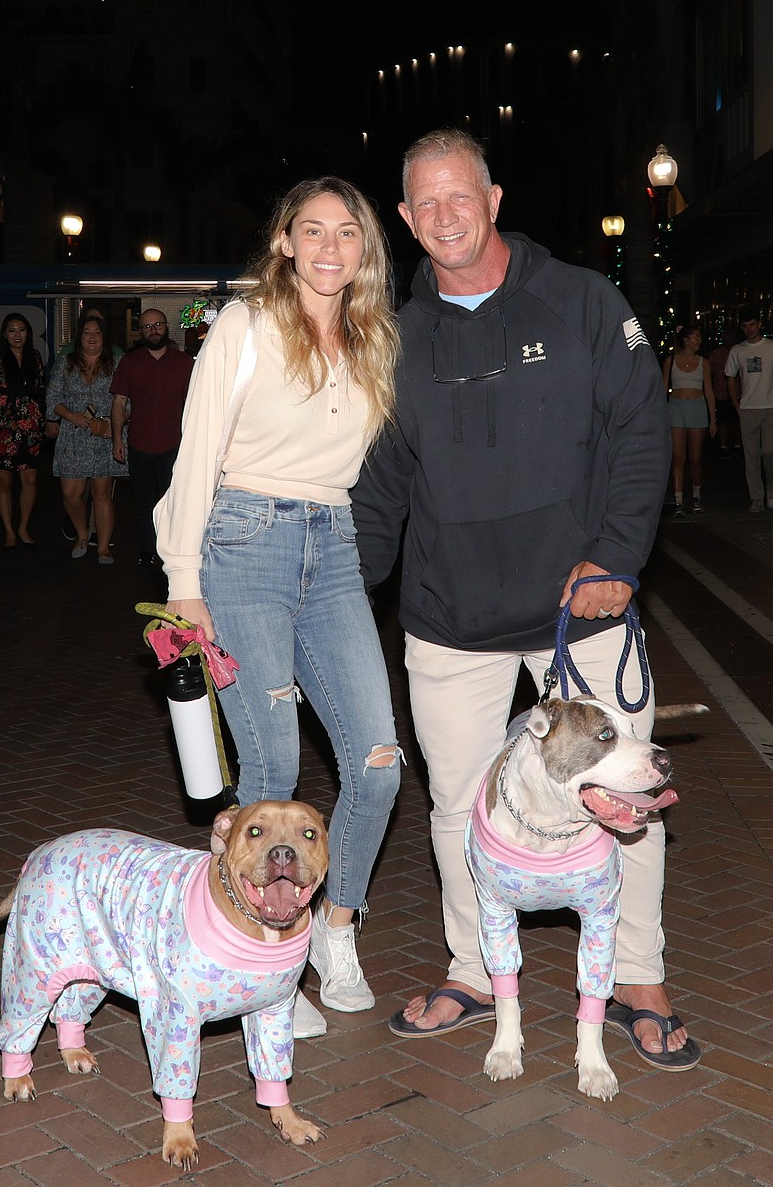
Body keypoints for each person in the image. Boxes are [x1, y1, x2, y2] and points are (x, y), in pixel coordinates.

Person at [350, 128, 700, 1070]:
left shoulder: (582, 301)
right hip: (449, 618)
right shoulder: (396, 336)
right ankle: (473, 966)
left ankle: (637, 974)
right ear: (406, 219)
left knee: (623, 791)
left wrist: (619, 557)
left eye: (459, 195)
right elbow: (381, 485)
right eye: (424, 203)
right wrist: (341, 600)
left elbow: (638, 431)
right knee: (458, 803)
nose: (444, 215)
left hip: (576, 612)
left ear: (495, 199)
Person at [154, 177, 403, 1039]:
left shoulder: (375, 339)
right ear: (285, 242)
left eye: (347, 232)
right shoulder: (246, 324)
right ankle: (266, 965)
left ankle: (335, 930)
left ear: (365, 248)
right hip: (240, 542)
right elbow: (196, 453)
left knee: (377, 762)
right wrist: (183, 579)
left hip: (331, 549)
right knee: (272, 772)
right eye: (312, 230)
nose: (330, 247)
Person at [110, 309, 193, 568]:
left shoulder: (185, 363)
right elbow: (119, 403)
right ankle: (147, 552)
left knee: (175, 504)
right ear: (141, 331)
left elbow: (196, 404)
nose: (152, 330)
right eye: (147, 327)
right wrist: (116, 439)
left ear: (166, 327)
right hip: (140, 446)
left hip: (175, 446)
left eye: (157, 325)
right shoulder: (129, 362)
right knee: (144, 505)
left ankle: (173, 553)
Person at [46, 313, 127, 563]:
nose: (92, 337)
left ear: (104, 337)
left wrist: (113, 427)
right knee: (71, 492)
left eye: (97, 333)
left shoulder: (117, 363)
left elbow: (128, 401)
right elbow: (53, 399)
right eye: (87, 333)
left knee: (102, 493)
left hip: (105, 434)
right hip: (74, 434)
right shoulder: (67, 363)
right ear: (80, 337)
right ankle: (82, 533)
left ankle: (103, 547)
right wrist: (72, 416)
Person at [0, 313, 46, 547]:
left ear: (28, 333)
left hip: (30, 425)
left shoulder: (35, 357)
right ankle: (9, 531)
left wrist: (45, 421)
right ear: (4, 334)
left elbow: (40, 391)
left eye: (21, 330)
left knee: (30, 479)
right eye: (12, 330)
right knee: (4, 482)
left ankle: (23, 526)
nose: (17, 335)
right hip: (2, 426)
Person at [662, 324, 716, 516]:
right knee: (678, 457)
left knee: (695, 458)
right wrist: (660, 416)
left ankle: (696, 496)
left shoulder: (704, 363)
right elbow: (662, 390)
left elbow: (709, 391)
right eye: (696, 337)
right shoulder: (670, 361)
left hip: (697, 409)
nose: (699, 341)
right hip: (676, 408)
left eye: (699, 337)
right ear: (686, 340)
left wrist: (713, 419)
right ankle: (678, 501)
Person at [726, 307, 773, 512]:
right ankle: (757, 498)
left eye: (752, 324)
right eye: (745, 326)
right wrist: (736, 403)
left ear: (759, 324)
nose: (749, 329)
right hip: (747, 409)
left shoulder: (771, 347)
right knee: (751, 456)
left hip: (770, 407)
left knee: (768, 452)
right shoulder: (737, 350)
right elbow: (730, 377)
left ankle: (771, 491)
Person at [708, 327, 740, 458]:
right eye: (727, 338)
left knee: (737, 421)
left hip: (739, 393)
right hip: (720, 393)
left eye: (731, 338)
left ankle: (738, 445)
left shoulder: (739, 351)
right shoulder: (716, 354)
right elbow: (709, 373)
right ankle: (723, 446)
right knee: (722, 421)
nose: (729, 340)